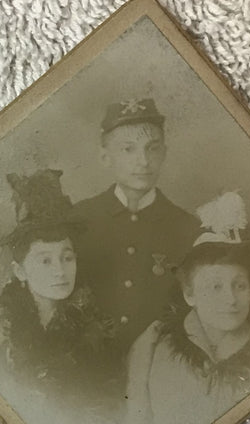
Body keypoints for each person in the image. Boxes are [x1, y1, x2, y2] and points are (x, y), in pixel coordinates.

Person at [126, 191, 250, 424]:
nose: (231, 299)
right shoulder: (153, 345)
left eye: (239, 285)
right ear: (189, 294)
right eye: (215, 287)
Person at [0, 169, 123, 419]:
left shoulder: (96, 328)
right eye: (44, 261)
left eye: (67, 258)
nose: (60, 272)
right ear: (20, 271)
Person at [70, 97, 200, 352]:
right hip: (87, 361)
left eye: (152, 148)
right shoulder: (78, 219)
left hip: (160, 366)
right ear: (106, 157)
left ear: (164, 153)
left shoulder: (188, 228)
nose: (143, 161)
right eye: (128, 149)